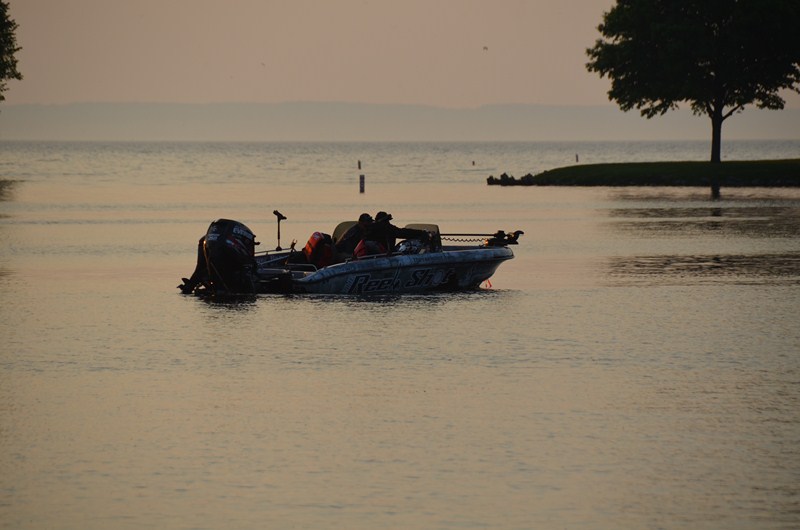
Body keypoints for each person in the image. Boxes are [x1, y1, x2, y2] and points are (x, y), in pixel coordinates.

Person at [355, 211, 429, 257]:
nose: (389, 223)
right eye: (387, 221)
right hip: (385, 257)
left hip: (372, 257)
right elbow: (402, 232)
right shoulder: (387, 228)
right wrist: (421, 232)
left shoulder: (369, 230)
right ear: (385, 221)